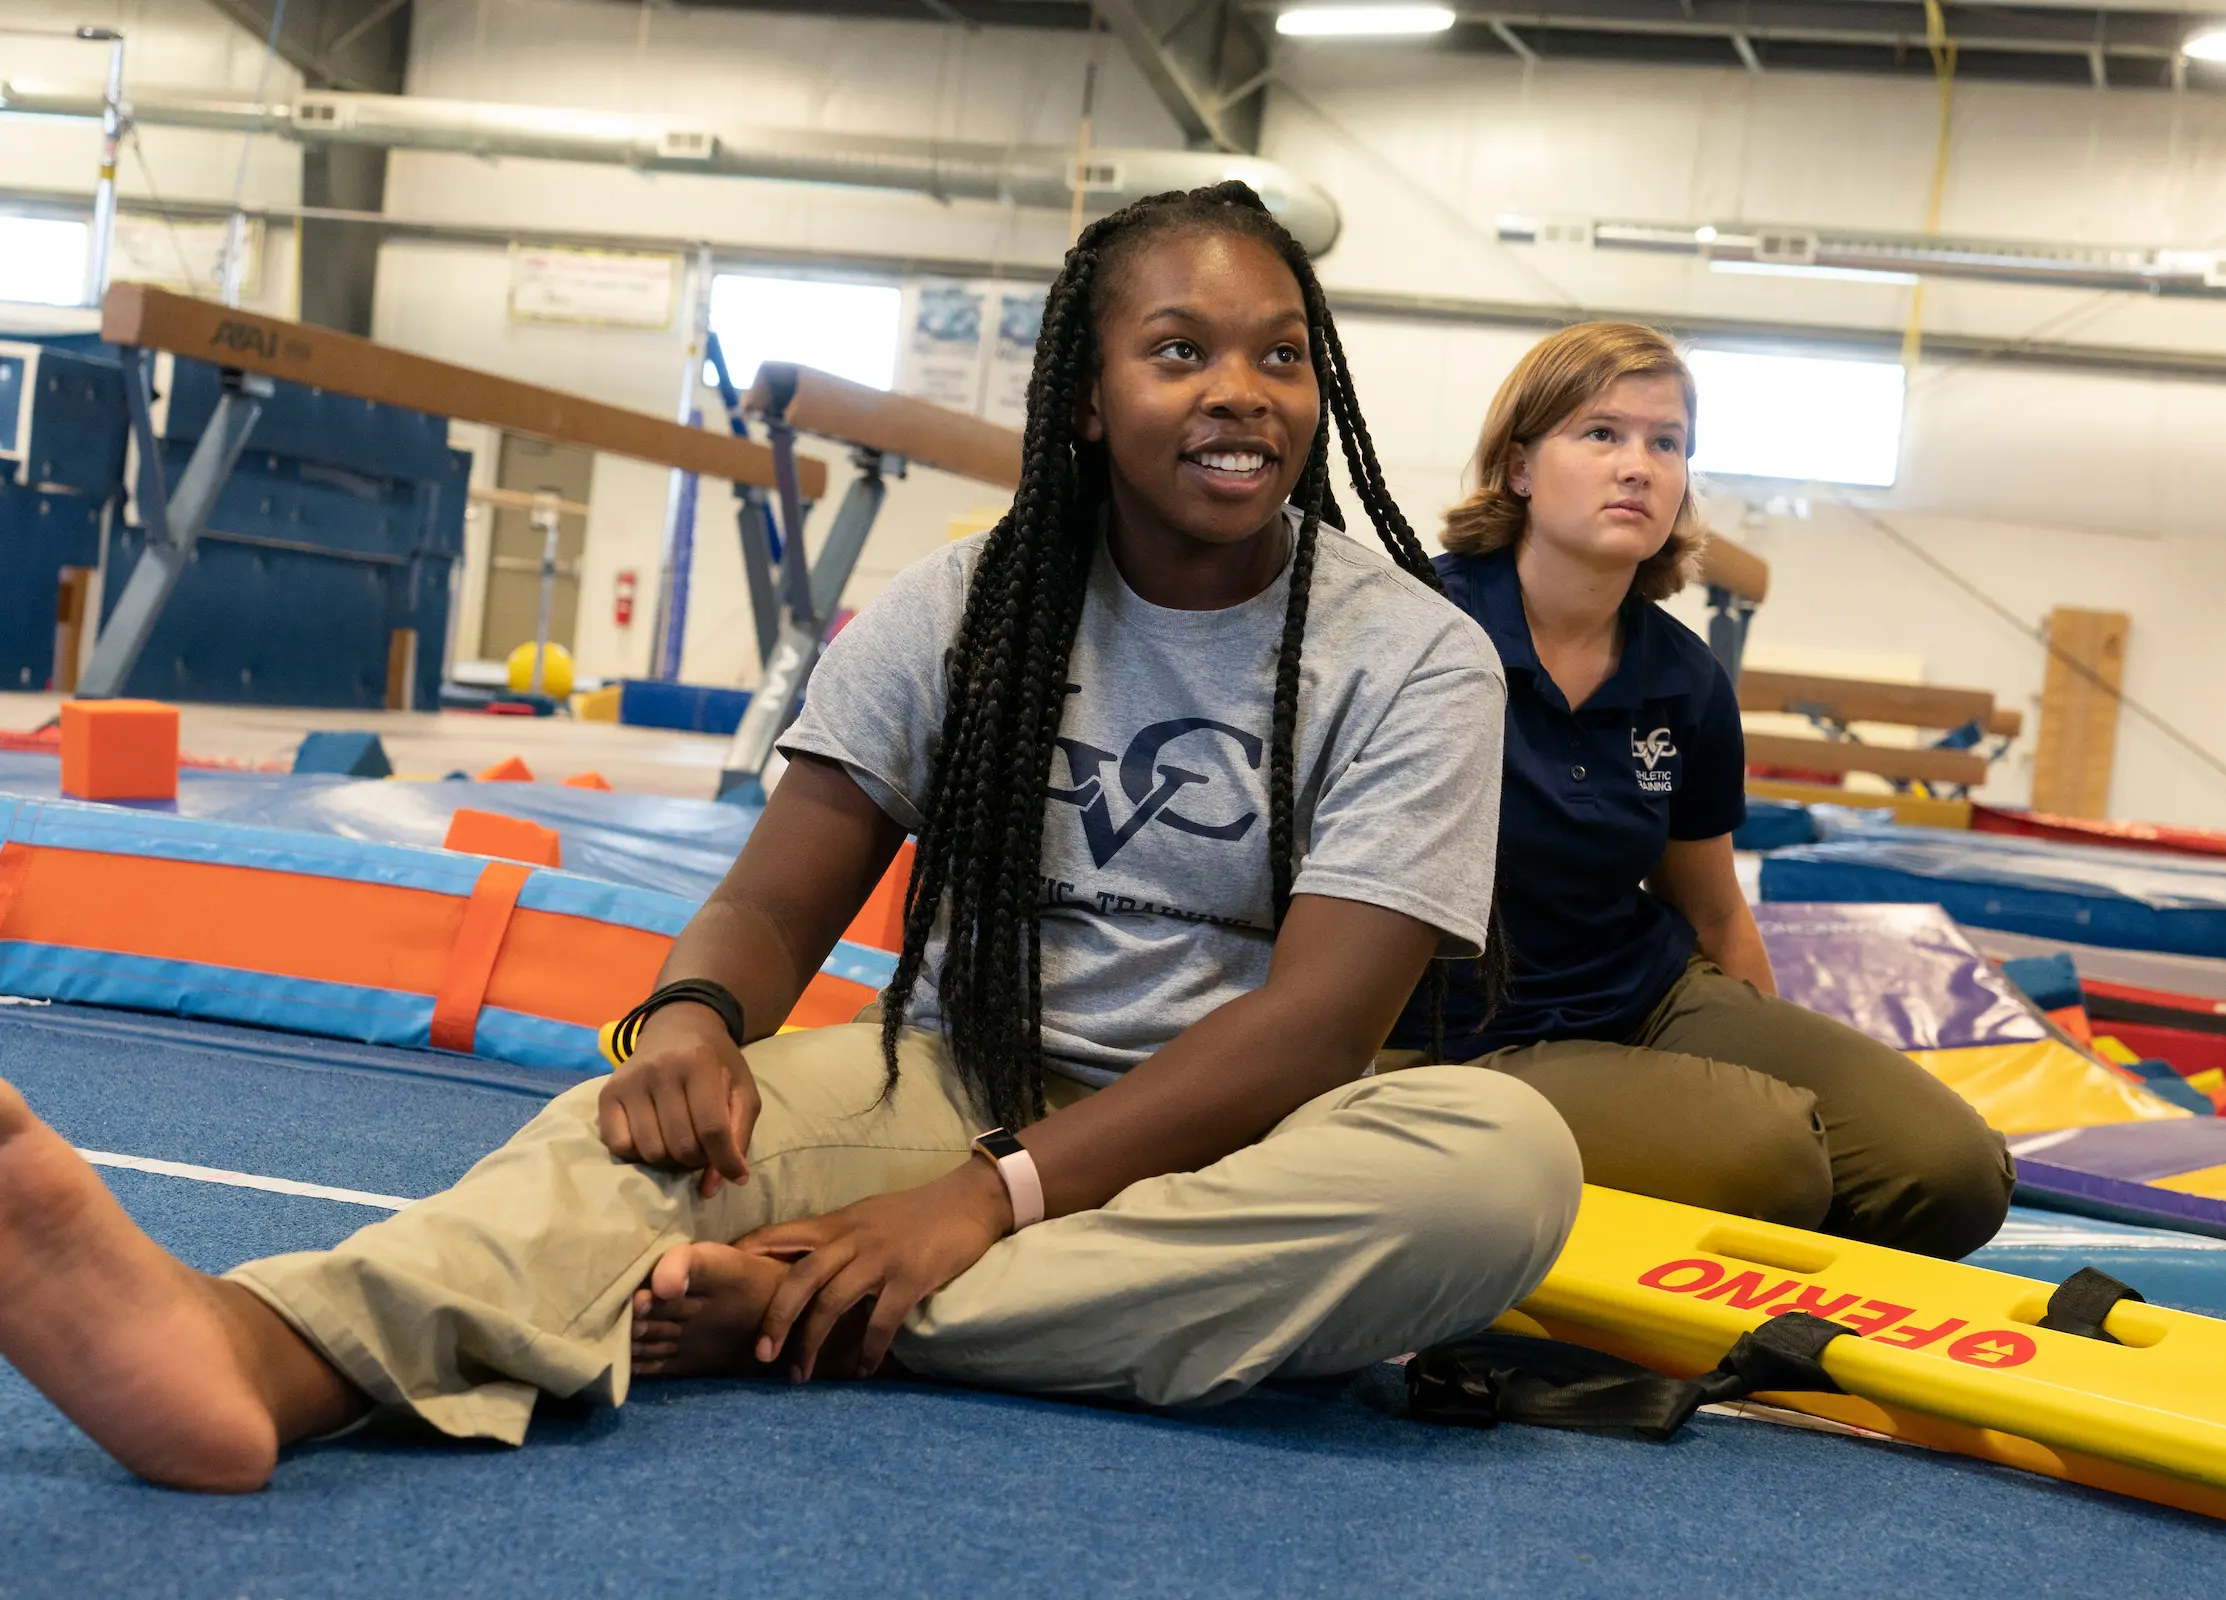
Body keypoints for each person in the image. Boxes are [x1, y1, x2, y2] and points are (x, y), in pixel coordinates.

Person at [0, 184, 1581, 1494]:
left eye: (1282, 357)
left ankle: (844, 1316)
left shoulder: (1414, 655)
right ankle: (259, 1356)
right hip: (966, 1071)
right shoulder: (969, 607)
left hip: (1250, 1139)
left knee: (1501, 1176)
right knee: (627, 1139)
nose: (1241, 390)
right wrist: (690, 1018)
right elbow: (776, 894)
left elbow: (1315, 1027)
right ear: (1090, 401)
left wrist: (979, 1208)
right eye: (1180, 351)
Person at [1383, 321, 2011, 1260]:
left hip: (1644, 994)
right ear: (1518, 467)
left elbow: (1714, 912)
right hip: (1468, 1038)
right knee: (1769, 1161)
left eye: (1664, 442)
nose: (1637, 465)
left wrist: (1762, 1050)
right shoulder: (1419, 631)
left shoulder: (1684, 678)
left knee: (1949, 1169)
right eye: (1601, 434)